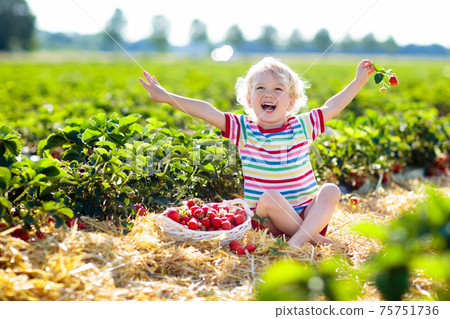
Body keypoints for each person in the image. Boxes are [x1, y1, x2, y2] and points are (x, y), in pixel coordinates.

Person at [139, 57, 375, 246]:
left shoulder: (301, 126)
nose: (268, 93)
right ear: (250, 100)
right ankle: (310, 241)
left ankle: (297, 243)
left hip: (309, 217)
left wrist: (358, 82)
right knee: (270, 197)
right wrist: (167, 97)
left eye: (278, 89)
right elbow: (207, 111)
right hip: (268, 222)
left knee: (331, 190)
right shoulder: (244, 130)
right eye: (260, 88)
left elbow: (331, 106)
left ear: (291, 102)